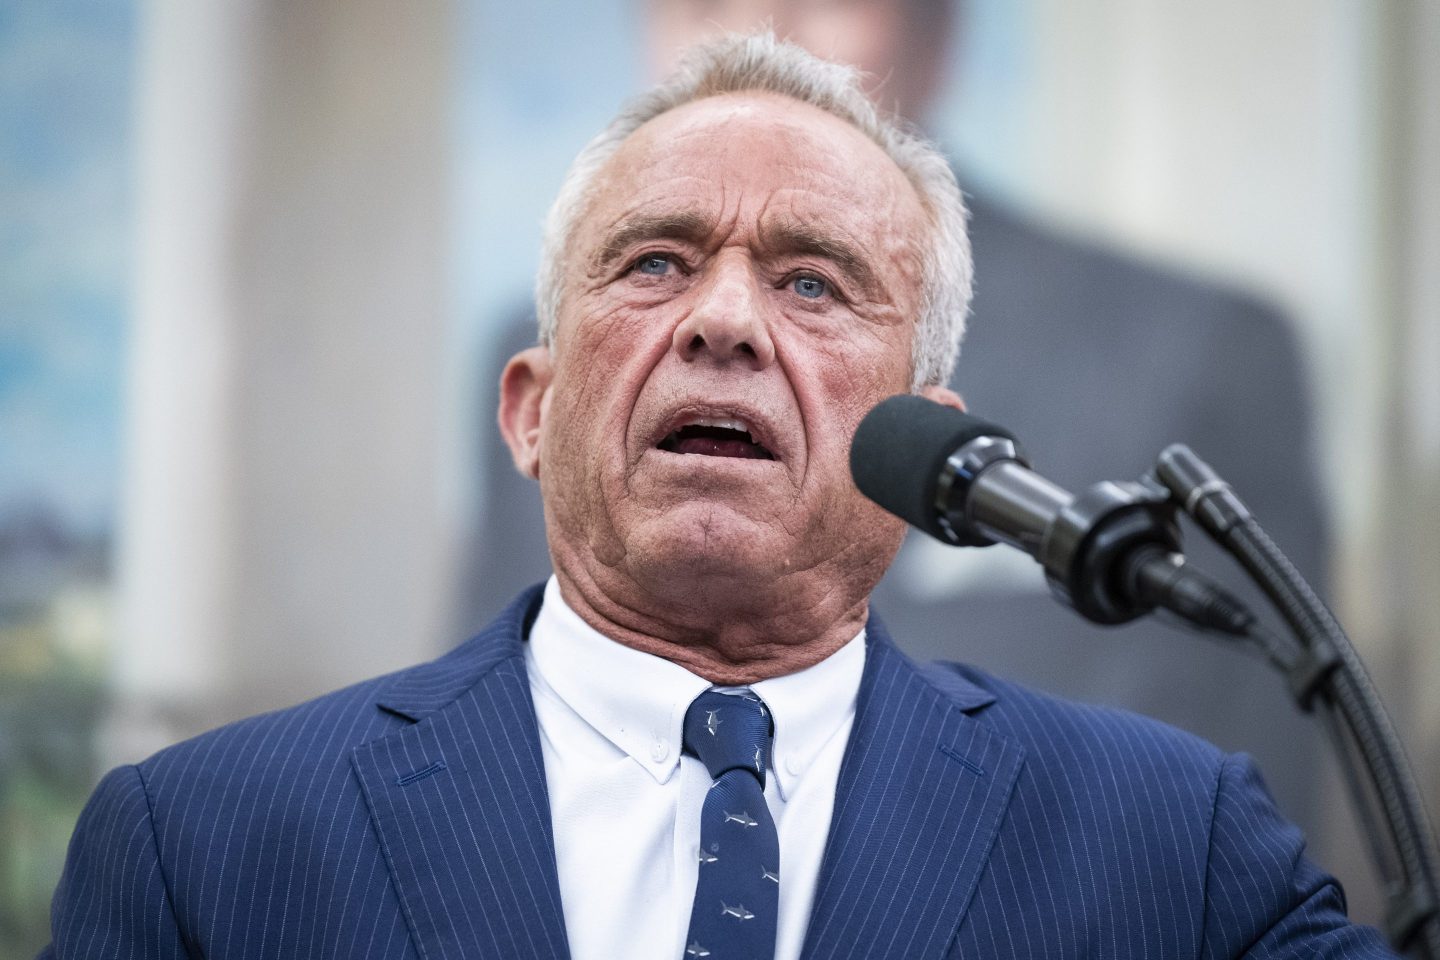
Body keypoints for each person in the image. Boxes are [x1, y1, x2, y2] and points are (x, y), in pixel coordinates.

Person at [44, 33, 1389, 960]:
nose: (727, 322)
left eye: (812, 282)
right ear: (531, 410)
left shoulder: (1171, 844)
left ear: (920, 446)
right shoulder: (202, 847)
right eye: (654, 264)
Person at [461, 0, 1330, 847]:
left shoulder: (1191, 348)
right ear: (529, 412)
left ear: (937, 37)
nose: (763, 25)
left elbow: (1243, 819)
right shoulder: (553, 353)